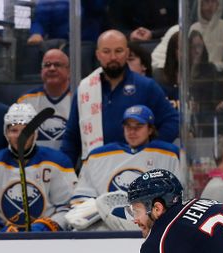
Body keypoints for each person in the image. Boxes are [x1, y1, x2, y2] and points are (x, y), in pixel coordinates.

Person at [60, 30, 179, 167]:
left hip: (137, 168)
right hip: (96, 171)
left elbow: (173, 120)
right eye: (106, 51)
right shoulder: (85, 88)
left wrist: (150, 149)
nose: (113, 57)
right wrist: (64, 172)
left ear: (127, 53)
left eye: (118, 51)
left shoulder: (146, 86)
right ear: (98, 55)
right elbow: (72, 137)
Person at [66, 104, 178, 231]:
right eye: (128, 126)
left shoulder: (168, 154)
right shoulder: (98, 156)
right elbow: (81, 200)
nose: (132, 131)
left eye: (138, 126)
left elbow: (176, 200)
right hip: (105, 227)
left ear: (150, 129)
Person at [0, 103, 76, 232]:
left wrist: (46, 226)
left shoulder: (58, 162)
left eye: (26, 130)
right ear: (6, 133)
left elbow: (70, 209)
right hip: (3, 245)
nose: (20, 136)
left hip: (48, 243)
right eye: (14, 130)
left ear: (35, 132)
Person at [16, 48, 72, 150]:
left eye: (57, 65)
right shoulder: (25, 101)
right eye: (47, 65)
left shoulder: (79, 99)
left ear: (68, 71)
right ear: (41, 71)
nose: (51, 68)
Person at [26, 0, 105, 45]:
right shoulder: (51, 2)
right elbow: (40, 18)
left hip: (87, 44)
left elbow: (97, 8)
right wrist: (37, 33)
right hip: (59, 45)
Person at [189, 0, 223, 71]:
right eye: (206, 1)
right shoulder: (194, 28)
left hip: (220, 76)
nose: (210, 5)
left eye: (213, 1)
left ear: (219, 4)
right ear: (200, 5)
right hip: (197, 75)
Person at [106, 0, 178, 43]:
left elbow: (178, 26)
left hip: (164, 41)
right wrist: (130, 35)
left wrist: (153, 34)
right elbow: (114, 25)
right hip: (130, 44)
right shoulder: (119, 2)